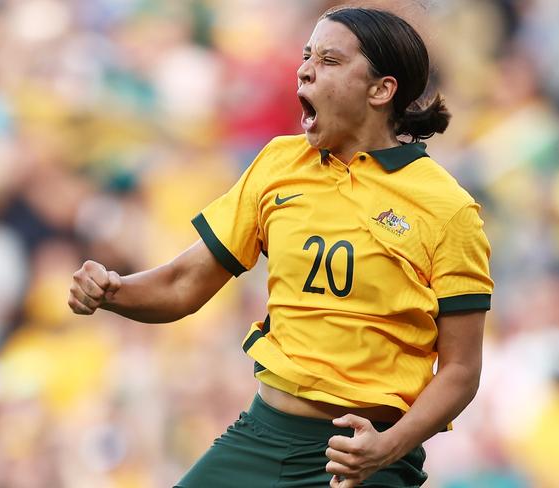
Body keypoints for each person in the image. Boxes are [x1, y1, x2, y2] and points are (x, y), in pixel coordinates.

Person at [68, 7, 493, 488]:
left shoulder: (447, 207)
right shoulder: (278, 163)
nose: (306, 68)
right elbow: (184, 284)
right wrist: (113, 291)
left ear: (381, 90)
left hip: (361, 451)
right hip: (262, 435)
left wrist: (386, 448)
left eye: (330, 60)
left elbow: (461, 370)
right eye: (307, 55)